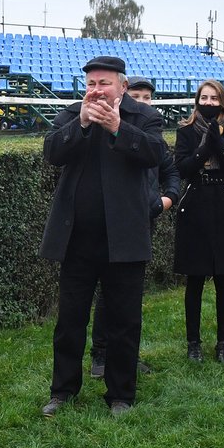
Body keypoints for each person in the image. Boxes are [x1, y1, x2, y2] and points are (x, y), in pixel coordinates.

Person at [39, 56, 165, 417]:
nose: (96, 90)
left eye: (104, 83)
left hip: (124, 238)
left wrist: (117, 129)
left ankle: (121, 395)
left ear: (122, 87)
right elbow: (52, 152)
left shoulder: (144, 116)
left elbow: (156, 153)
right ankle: (62, 391)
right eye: (91, 83)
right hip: (76, 237)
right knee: (70, 321)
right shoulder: (73, 114)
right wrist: (80, 124)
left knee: (124, 321)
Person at [89, 76, 179, 378]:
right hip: (114, 221)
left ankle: (125, 356)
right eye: (136, 97)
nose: (141, 103)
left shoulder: (151, 134)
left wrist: (166, 201)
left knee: (129, 293)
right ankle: (100, 355)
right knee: (108, 291)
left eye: (146, 98)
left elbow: (170, 170)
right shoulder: (114, 130)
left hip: (143, 221)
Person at [173, 79, 224, 363]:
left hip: (223, 205)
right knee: (195, 279)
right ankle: (194, 343)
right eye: (204, 98)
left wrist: (219, 141)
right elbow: (183, 168)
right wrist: (205, 147)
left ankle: (223, 343)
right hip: (195, 204)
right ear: (197, 100)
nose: (209, 103)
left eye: (214, 98)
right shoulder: (186, 129)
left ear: (222, 101)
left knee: (223, 278)